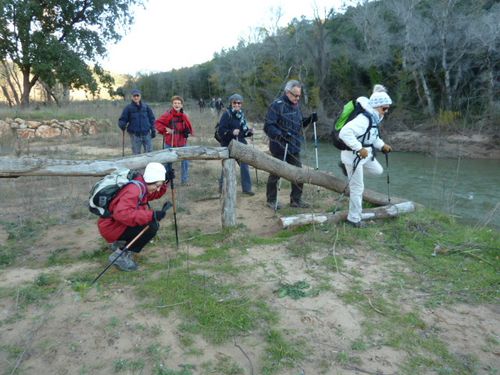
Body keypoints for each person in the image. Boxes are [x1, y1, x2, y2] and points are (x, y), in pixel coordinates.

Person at [97, 162, 174, 271]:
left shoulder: (141, 183)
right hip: (112, 228)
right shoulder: (134, 190)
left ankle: (120, 243)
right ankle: (120, 256)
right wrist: (152, 215)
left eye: (159, 186)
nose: (157, 189)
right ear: (150, 180)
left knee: (151, 223)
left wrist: (165, 182)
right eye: (157, 186)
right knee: (152, 227)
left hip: (113, 225)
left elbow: (153, 194)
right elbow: (122, 214)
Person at [339, 84, 393, 228]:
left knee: (378, 170)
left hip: (365, 155)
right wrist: (358, 148)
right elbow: (344, 133)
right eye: (384, 108)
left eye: (387, 108)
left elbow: (372, 137)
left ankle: (349, 172)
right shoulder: (363, 119)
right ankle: (354, 219)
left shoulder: (375, 118)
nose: (386, 111)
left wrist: (382, 145)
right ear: (376, 106)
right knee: (357, 188)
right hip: (353, 156)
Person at [263, 80, 318, 209]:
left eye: (299, 95)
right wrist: (281, 134)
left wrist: (310, 119)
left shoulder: (296, 105)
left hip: (294, 146)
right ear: (287, 92)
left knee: (298, 172)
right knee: (276, 173)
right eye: (295, 95)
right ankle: (271, 200)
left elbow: (300, 124)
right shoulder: (277, 105)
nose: (297, 98)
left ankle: (296, 200)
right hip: (279, 146)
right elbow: (268, 126)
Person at [217, 94, 255, 196]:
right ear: (231, 103)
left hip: (240, 145)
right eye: (235, 102)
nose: (237, 105)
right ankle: (221, 189)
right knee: (227, 166)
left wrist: (249, 132)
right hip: (228, 144)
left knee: (244, 165)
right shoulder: (226, 114)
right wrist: (231, 132)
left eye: (239, 103)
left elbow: (242, 132)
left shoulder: (241, 115)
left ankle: (247, 189)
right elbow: (221, 130)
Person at [155, 95, 194, 185]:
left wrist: (187, 131)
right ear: (172, 104)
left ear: (182, 105)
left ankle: (184, 181)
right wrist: (166, 129)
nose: (177, 105)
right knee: (168, 162)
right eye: (175, 103)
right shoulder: (168, 115)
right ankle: (166, 181)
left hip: (182, 142)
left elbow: (189, 127)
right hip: (170, 142)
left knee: (185, 162)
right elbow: (157, 123)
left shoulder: (184, 116)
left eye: (179, 103)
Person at [118, 89, 156, 155]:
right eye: (134, 96)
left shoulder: (146, 107)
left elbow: (152, 119)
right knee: (136, 154)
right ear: (131, 97)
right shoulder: (128, 108)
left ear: (140, 96)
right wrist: (122, 125)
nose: (136, 97)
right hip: (135, 135)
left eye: (137, 95)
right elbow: (122, 119)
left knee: (149, 153)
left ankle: (147, 165)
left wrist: (153, 130)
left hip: (146, 134)